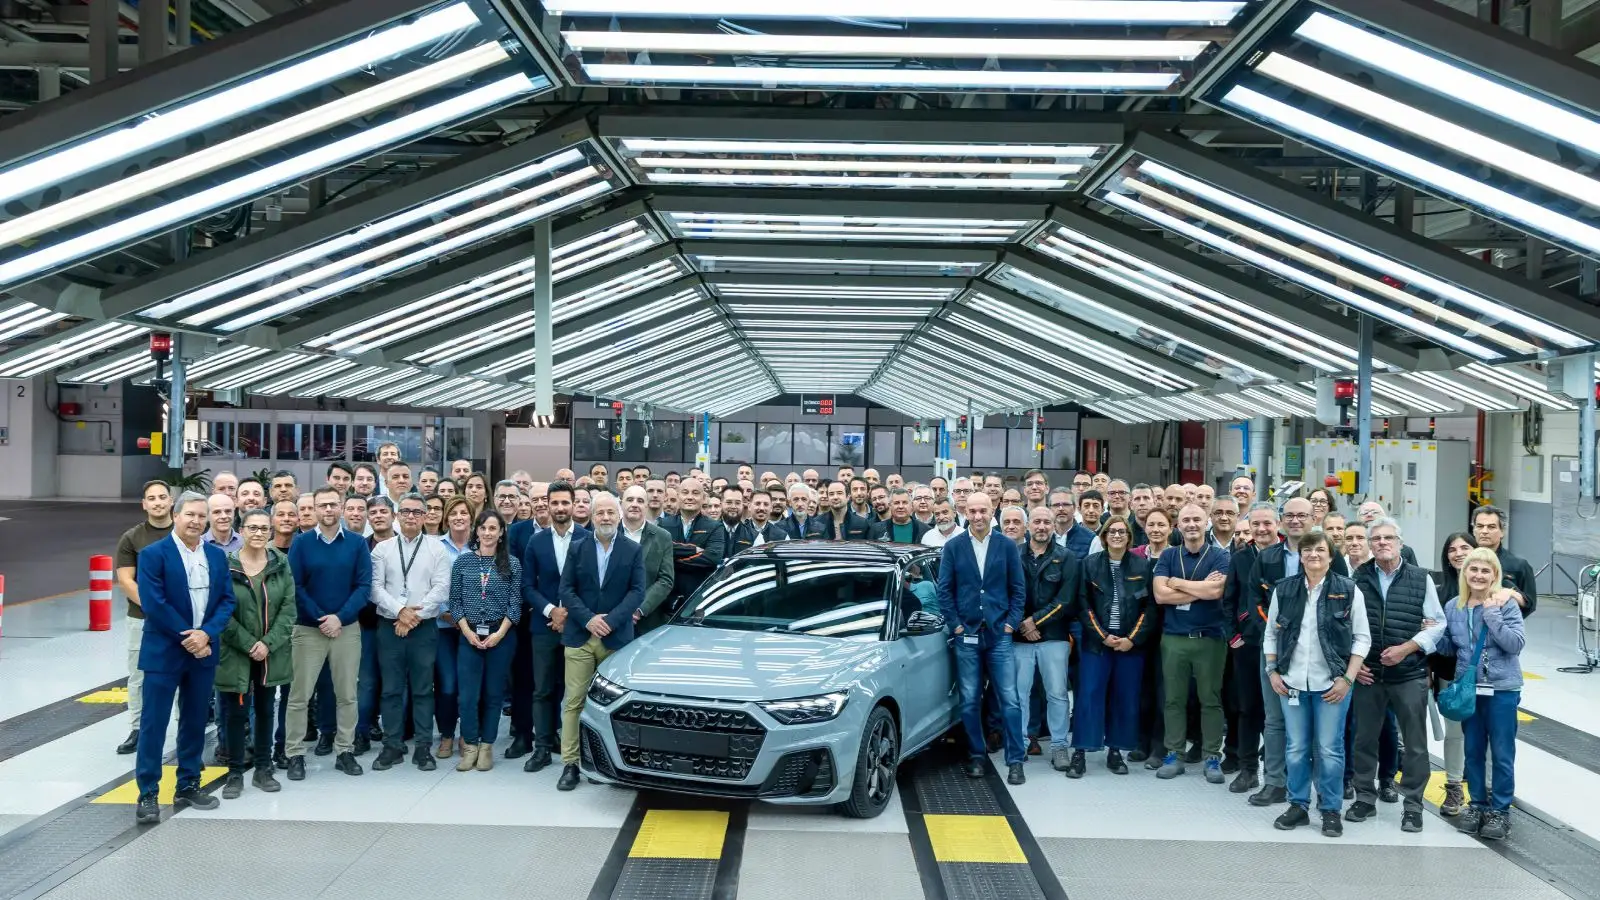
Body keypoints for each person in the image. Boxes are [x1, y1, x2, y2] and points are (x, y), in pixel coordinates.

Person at [132, 491, 236, 823]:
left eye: (202, 516)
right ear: (175, 516)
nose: (196, 521)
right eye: (190, 514)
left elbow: (227, 601)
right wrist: (189, 637)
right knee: (154, 724)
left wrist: (207, 634)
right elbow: (154, 603)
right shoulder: (153, 555)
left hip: (203, 651)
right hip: (164, 653)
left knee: (194, 721)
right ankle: (148, 792)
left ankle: (188, 783)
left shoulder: (216, 556)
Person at [1263, 530, 1371, 837]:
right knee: (1296, 748)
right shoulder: (1284, 589)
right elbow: (1271, 633)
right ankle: (1298, 805)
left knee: (1329, 749)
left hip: (1333, 684)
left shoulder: (1348, 589)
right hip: (1291, 682)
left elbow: (1362, 638)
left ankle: (1330, 809)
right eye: (1307, 550)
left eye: (1320, 550)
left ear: (1331, 556)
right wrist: (1272, 671)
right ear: (1300, 556)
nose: (1313, 555)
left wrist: (1347, 678)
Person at [1346, 518, 1445, 833]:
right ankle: (1364, 798)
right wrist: (1354, 663)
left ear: (1400, 543)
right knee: (1364, 739)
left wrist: (1408, 647)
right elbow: (1344, 623)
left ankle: (1413, 806)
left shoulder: (1420, 578)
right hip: (1368, 675)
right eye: (1376, 539)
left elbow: (1437, 623)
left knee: (1414, 745)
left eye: (1388, 538)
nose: (1382, 543)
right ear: (1369, 545)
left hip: (1409, 674)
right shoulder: (1357, 578)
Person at [935, 492, 1028, 785]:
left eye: (983, 510)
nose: (977, 516)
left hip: (999, 635)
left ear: (993, 511)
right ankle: (977, 755)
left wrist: (1011, 624)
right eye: (972, 511)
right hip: (967, 635)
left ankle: (1015, 760)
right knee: (969, 701)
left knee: (1010, 700)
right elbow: (944, 591)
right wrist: (956, 626)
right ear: (966, 512)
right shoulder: (953, 547)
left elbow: (1018, 589)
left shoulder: (1006, 545)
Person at [556, 493, 646, 791]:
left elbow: (637, 592)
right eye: (600, 513)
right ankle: (571, 764)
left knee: (613, 705)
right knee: (574, 701)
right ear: (592, 517)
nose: (605, 517)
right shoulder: (577, 547)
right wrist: (588, 619)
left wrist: (610, 621)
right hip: (580, 636)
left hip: (615, 638)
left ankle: (609, 763)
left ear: (619, 515)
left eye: (610, 512)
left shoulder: (633, 549)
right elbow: (566, 590)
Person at [1434, 548, 1526, 840]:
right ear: (1465, 573)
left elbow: (1515, 644)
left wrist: (1493, 614)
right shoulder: (1453, 606)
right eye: (1473, 569)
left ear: (1495, 575)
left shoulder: (1505, 605)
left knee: (1501, 752)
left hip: (1502, 689)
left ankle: (1500, 810)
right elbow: (1451, 648)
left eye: (1486, 570)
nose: (1478, 575)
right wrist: (1434, 633)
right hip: (1469, 689)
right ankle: (1477, 804)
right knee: (1473, 751)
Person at [284, 486, 374, 781]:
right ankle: (295, 753)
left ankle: (344, 750)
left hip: (346, 629)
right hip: (309, 629)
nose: (328, 510)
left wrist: (340, 618)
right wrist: (322, 618)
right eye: (322, 505)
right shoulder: (301, 543)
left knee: (347, 694)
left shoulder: (357, 544)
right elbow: (295, 586)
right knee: (300, 695)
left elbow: (363, 587)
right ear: (313, 509)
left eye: (333, 504)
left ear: (342, 507)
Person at [370, 492, 452, 772]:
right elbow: (375, 588)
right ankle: (392, 746)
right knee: (391, 689)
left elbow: (441, 588)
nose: (411, 517)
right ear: (397, 515)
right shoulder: (382, 549)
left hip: (423, 628)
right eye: (405, 511)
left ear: (425, 516)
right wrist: (400, 611)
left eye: (417, 512)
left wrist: (413, 615)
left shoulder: (437, 549)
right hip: (389, 627)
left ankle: (423, 748)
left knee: (423, 690)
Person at [217, 508, 293, 799]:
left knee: (265, 709)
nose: (259, 533)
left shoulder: (281, 564)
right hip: (236, 652)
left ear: (270, 532)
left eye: (264, 528)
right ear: (242, 531)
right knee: (235, 713)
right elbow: (220, 611)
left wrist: (267, 644)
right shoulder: (226, 565)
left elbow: (289, 609)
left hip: (270, 653)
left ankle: (263, 768)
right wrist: (249, 643)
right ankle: (235, 772)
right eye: (252, 527)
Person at [1153, 503, 1231, 783]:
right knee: (1173, 699)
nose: (1192, 524)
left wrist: (1177, 582)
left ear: (1207, 521)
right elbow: (1160, 595)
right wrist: (1201, 589)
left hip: (1209, 639)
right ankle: (1174, 754)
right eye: (1186, 520)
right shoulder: (1168, 555)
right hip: (1174, 639)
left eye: (1197, 519)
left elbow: (1217, 591)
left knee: (1210, 699)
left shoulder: (1220, 556)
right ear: (1179, 525)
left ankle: (1212, 756)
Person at [1073, 516, 1155, 777]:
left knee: (1125, 698)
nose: (1117, 535)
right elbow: (1083, 605)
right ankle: (1080, 751)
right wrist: (1102, 636)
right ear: (1104, 536)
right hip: (1097, 644)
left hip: (1130, 646)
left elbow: (1149, 608)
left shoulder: (1142, 566)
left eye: (1122, 532)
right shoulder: (1089, 564)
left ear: (1129, 537)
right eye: (1112, 531)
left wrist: (1132, 638)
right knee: (1088, 697)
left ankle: (1116, 751)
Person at [516, 482, 584, 772]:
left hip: (577, 627)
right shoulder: (537, 541)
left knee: (574, 693)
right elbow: (527, 585)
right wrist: (551, 610)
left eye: (564, 502)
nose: (559, 508)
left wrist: (569, 613)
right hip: (543, 626)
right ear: (547, 505)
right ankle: (542, 747)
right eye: (554, 502)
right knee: (542, 689)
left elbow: (591, 585)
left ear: (573, 505)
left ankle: (574, 752)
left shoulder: (587, 537)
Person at [450, 510, 523, 772]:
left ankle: (486, 747)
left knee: (493, 694)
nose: (488, 533)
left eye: (493, 528)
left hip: (500, 636)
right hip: (468, 634)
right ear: (477, 531)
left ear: (501, 532)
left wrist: (499, 634)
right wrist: (467, 632)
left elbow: (515, 604)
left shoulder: (512, 563)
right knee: (467, 696)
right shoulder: (463, 562)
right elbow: (454, 601)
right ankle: (470, 746)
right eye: (483, 528)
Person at [1014, 506, 1078, 771]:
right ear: (1028, 525)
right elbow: (1008, 593)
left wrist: (1034, 621)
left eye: (1047, 522)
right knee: (1019, 694)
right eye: (1037, 521)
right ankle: (1019, 744)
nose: (1042, 526)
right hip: (1019, 638)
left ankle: (1060, 745)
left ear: (1054, 526)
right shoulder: (1013, 555)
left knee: (1058, 694)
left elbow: (1066, 600)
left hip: (1054, 637)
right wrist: (1023, 623)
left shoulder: (1067, 557)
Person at [114, 480, 175, 756]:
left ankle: (183, 728)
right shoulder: (132, 538)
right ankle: (138, 728)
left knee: (182, 676)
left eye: (162, 497)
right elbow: (127, 580)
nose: (158, 502)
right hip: (142, 618)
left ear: (171, 501)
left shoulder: (184, 532)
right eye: (152, 498)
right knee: (139, 676)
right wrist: (156, 608)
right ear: (144, 504)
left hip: (183, 621)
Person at [1434, 531, 1475, 816]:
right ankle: (1453, 785)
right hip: (1449, 673)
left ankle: (1486, 789)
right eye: (1452, 549)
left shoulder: (1496, 592)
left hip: (1487, 677)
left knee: (1487, 733)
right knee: (1455, 732)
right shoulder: (1440, 591)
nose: (1458, 553)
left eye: (1464, 547)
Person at [433, 497, 474, 759]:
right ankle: (446, 734)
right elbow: (426, 584)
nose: (459, 517)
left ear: (471, 517)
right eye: (453, 513)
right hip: (443, 627)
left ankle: (467, 735)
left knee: (469, 686)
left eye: (463, 513)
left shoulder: (481, 546)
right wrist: (446, 614)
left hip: (475, 628)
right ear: (446, 518)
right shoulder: (435, 547)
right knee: (447, 685)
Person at [622, 485, 676, 635]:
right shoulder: (609, 533)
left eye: (640, 501)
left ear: (646, 506)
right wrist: (619, 611)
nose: (634, 504)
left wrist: (638, 609)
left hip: (647, 622)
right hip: (609, 620)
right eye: (630, 500)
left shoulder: (662, 536)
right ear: (621, 503)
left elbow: (666, 579)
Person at [1471, 506, 1537, 616]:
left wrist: (1512, 594)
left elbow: (1530, 603)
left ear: (1502, 532)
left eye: (1491, 527)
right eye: (1480, 526)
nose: (1484, 531)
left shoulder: (1519, 565)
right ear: (1474, 530)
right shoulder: (1466, 562)